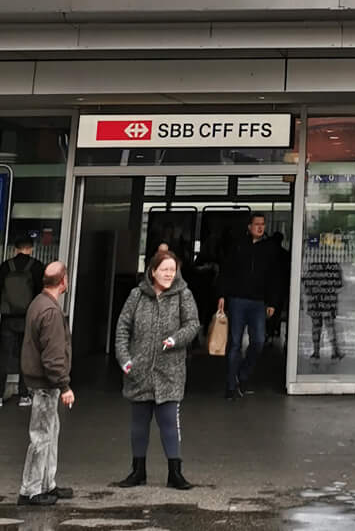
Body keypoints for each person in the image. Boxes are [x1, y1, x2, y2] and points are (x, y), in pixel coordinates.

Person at [114, 244, 201, 490]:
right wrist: (125, 359)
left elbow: (193, 324)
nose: (169, 274)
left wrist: (176, 339)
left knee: (168, 423)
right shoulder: (136, 295)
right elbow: (122, 329)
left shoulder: (184, 294)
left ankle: (175, 472)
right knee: (139, 424)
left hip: (169, 371)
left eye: (172, 270)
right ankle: (137, 471)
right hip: (139, 370)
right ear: (152, 271)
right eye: (164, 269)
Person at [16, 261, 74, 510]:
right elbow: (52, 356)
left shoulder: (39, 303)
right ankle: (30, 490)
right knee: (41, 436)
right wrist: (64, 386)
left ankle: (47, 484)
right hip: (45, 384)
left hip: (41, 382)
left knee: (50, 432)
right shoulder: (50, 312)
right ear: (63, 282)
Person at [216, 210, 283, 399]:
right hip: (237, 300)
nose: (260, 227)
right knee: (235, 343)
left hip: (259, 302)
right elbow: (226, 271)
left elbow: (274, 278)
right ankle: (230, 386)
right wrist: (221, 294)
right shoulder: (238, 246)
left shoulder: (269, 248)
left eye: (263, 224)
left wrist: (272, 302)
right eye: (256, 224)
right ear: (249, 226)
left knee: (259, 341)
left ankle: (242, 375)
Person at [0, 233, 45, 409]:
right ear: (31, 248)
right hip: (28, 317)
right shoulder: (36, 266)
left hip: (8, 317)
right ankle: (24, 395)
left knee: (4, 355)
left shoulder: (7, 266)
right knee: (26, 355)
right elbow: (40, 291)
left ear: (15, 249)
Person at [303, 232, 345, 361]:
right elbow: (339, 283)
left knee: (316, 325)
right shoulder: (333, 265)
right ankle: (334, 351)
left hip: (315, 299)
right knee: (329, 325)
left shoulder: (313, 265)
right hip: (328, 299)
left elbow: (307, 282)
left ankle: (316, 352)